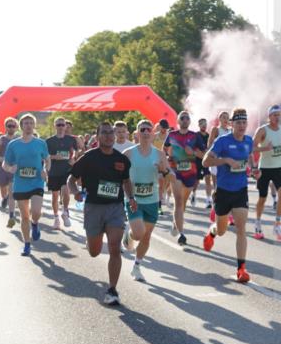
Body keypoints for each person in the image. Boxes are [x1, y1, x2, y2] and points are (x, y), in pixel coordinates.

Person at [68, 121, 135, 305]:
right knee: (94, 252)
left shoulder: (122, 159)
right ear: (97, 137)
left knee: (114, 247)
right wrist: (75, 193)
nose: (108, 135)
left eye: (110, 132)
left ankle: (112, 290)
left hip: (115, 208)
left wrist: (131, 198)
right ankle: (92, 239)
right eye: (104, 133)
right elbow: (71, 180)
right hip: (93, 208)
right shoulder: (89, 157)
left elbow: (126, 181)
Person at [202, 108, 255, 282]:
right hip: (223, 191)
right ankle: (212, 232)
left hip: (240, 191)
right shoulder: (222, 141)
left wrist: (254, 171)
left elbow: (250, 160)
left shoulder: (248, 141)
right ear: (231, 124)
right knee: (222, 230)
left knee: (241, 228)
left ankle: (241, 270)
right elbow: (206, 161)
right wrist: (225, 160)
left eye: (244, 122)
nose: (241, 126)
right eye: (238, 122)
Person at [124, 119, 171, 280]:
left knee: (146, 236)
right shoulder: (128, 153)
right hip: (133, 199)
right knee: (138, 234)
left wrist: (163, 170)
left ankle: (137, 265)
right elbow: (119, 176)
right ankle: (129, 236)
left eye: (148, 130)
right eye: (142, 130)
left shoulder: (159, 154)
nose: (145, 132)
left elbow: (169, 174)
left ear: (153, 134)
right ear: (136, 134)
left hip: (152, 200)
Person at [2, 114, 50, 256]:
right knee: (24, 216)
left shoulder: (41, 143)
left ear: (34, 125)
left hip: (37, 182)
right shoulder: (13, 144)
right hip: (20, 184)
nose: (28, 125)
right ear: (21, 126)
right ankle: (27, 244)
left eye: (31, 123)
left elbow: (47, 159)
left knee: (35, 212)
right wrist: (10, 169)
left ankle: (35, 224)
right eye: (26, 123)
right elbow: (5, 162)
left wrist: (46, 170)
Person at [163, 111, 205, 246]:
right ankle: (182, 234)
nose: (185, 120)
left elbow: (204, 154)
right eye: (182, 118)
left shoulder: (195, 136)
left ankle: (176, 224)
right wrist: (169, 157)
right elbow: (164, 148)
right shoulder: (172, 135)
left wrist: (192, 152)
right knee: (178, 201)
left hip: (191, 173)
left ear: (190, 121)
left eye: (187, 118)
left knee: (183, 203)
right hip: (176, 172)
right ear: (178, 121)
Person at [253, 105, 281, 241]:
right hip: (265, 168)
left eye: (279, 115)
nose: (277, 117)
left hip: (278, 167)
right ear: (269, 116)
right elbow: (252, 147)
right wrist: (265, 149)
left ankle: (277, 224)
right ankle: (257, 222)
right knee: (262, 198)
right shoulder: (262, 130)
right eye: (274, 115)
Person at [46, 116, 80, 229]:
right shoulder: (49, 141)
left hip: (66, 169)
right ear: (55, 126)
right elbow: (44, 156)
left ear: (66, 126)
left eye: (62, 125)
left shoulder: (70, 139)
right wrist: (54, 156)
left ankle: (65, 212)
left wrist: (73, 158)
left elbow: (75, 151)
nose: (60, 127)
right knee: (55, 196)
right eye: (58, 125)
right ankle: (56, 217)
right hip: (53, 171)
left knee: (66, 189)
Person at [0, 118, 20, 227]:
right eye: (9, 126)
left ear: (16, 127)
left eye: (13, 126)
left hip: (13, 169)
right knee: (3, 188)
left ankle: (11, 215)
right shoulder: (1, 139)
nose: (11, 128)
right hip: (2, 169)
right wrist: (1, 159)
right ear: (5, 127)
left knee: (12, 193)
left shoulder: (19, 140)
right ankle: (5, 196)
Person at [192, 117, 212, 208]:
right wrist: (201, 155)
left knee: (208, 177)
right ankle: (193, 194)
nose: (204, 125)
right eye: (202, 124)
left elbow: (210, 148)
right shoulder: (196, 135)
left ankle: (208, 200)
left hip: (206, 161)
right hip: (198, 160)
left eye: (205, 124)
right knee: (197, 180)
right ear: (199, 125)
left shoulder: (208, 136)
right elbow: (194, 149)